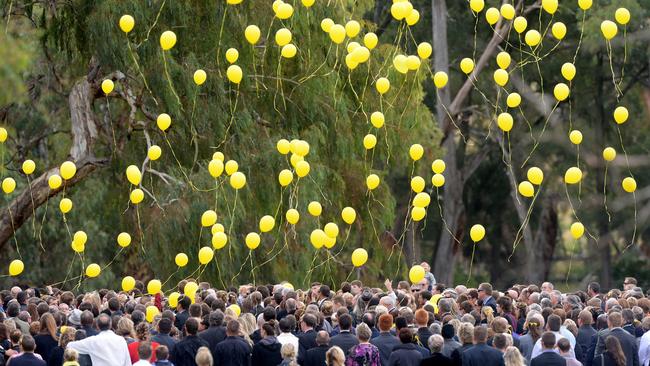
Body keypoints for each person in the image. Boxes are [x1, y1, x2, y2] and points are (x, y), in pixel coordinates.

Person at [67, 314, 131, 366]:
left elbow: (70, 345)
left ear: (97, 326)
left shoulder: (93, 341)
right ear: (110, 325)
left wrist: (70, 334)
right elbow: (127, 362)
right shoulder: (121, 340)